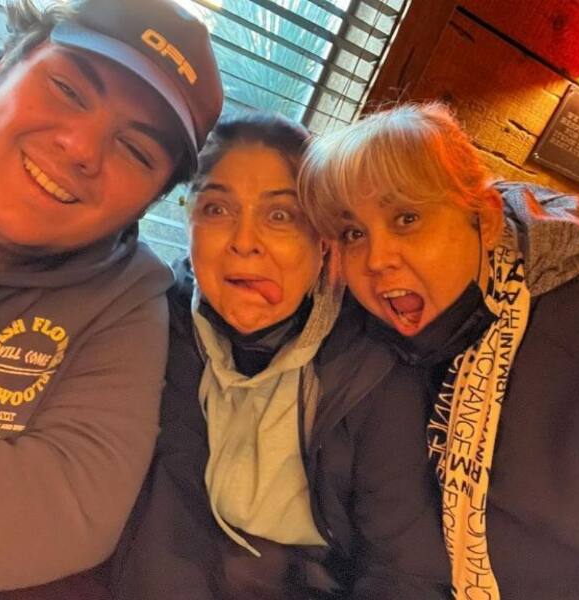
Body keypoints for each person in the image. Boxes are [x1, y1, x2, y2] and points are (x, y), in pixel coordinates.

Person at [298, 102, 579, 600]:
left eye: (407, 218)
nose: (376, 259)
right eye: (353, 233)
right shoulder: (407, 334)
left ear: (486, 218)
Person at [0, 0, 222, 595]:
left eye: (137, 150)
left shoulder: (126, 299)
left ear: (148, 203)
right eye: (68, 89)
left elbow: (75, 499)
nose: (83, 148)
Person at [111, 112, 450, 600]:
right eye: (216, 209)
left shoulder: (375, 364)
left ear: (325, 243)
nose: (244, 243)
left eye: (280, 216)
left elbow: (407, 571)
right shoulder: (158, 326)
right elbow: (163, 527)